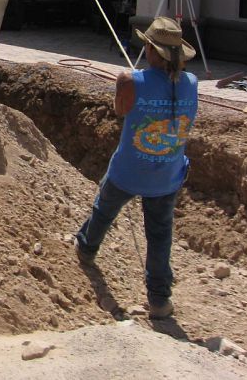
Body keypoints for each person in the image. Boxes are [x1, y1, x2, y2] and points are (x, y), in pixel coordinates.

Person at [74, 16, 198, 319]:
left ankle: (86, 250)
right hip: (167, 174)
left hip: (129, 170)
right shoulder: (191, 83)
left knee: (104, 210)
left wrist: (132, 80)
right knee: (159, 235)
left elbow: (120, 110)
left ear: (152, 50)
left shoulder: (130, 80)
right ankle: (159, 300)